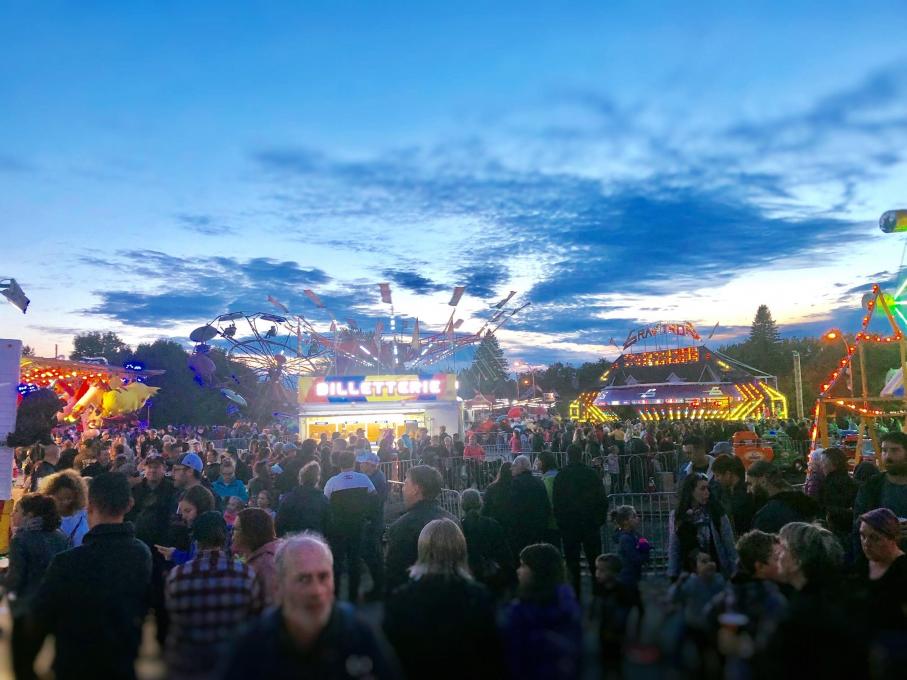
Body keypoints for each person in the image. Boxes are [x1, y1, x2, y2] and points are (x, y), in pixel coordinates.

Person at [220, 534, 402, 679]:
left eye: (323, 577)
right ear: (279, 584)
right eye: (303, 579)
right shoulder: (253, 645)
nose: (316, 591)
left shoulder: (359, 635)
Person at [32, 472, 153, 680]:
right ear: (130, 504)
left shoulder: (66, 563)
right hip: (121, 665)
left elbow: (39, 620)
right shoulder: (141, 555)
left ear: (89, 505)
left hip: (74, 667)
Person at [384, 519, 504, 680]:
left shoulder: (400, 600)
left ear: (422, 549)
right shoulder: (479, 597)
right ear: (461, 549)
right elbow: (491, 653)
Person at [757, 522, 866, 678]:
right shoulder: (846, 597)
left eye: (783, 548)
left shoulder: (796, 616)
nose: (776, 554)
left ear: (798, 561)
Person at [165, 511, 263, 678]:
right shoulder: (246, 575)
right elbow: (255, 622)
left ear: (195, 539)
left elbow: (174, 622)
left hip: (189, 667)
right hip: (233, 666)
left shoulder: (178, 576)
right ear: (225, 537)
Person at [3, 493, 68, 680]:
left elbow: (15, 579)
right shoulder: (60, 536)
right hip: (55, 607)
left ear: (29, 516)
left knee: (21, 665)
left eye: (17, 511)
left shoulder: (21, 540)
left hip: (27, 609)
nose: (13, 514)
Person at [504, 543, 583, 680]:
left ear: (538, 570)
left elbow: (516, 656)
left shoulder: (520, 610)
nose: (518, 570)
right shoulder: (568, 604)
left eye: (523, 565)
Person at [125, 453, 178, 647]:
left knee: (161, 595)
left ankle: (162, 638)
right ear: (144, 468)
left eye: (157, 467)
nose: (153, 470)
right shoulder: (136, 490)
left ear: (164, 469)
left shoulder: (171, 489)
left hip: (161, 549)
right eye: (150, 466)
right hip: (139, 548)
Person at [385, 465, 457, 594]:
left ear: (416, 489)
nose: (402, 488)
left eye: (406, 483)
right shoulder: (453, 521)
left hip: (415, 602)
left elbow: (395, 573)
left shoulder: (402, 527)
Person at [553, 445, 607, 596]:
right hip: (590, 523)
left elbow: (557, 502)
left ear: (567, 456)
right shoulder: (591, 474)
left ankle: (575, 595)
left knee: (572, 563)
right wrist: (599, 520)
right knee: (595, 560)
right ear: (582, 455)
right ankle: (598, 594)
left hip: (569, 525)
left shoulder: (561, 475)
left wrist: (561, 522)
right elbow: (601, 498)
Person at [323, 449, 376, 601]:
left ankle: (336, 596)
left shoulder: (332, 482)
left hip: (337, 527)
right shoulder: (364, 479)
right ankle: (353, 595)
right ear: (354, 463)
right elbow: (374, 498)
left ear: (339, 464)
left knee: (337, 561)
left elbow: (325, 502)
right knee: (354, 560)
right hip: (358, 525)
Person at [667, 473, 737, 580]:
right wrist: (673, 574)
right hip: (689, 574)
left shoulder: (716, 513)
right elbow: (674, 547)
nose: (707, 493)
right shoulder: (678, 516)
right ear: (691, 491)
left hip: (716, 572)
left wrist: (735, 572)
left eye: (708, 488)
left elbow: (729, 544)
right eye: (702, 489)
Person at [857, 508, 907, 630]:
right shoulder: (861, 563)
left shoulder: (903, 569)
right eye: (862, 536)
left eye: (875, 538)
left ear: (892, 539)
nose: (866, 543)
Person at [854, 431, 907, 545]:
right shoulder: (872, 486)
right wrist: (883, 529)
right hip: (880, 555)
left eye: (895, 450)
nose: (888, 456)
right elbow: (858, 522)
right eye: (884, 450)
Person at [594, 554, 642, 675]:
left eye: (602, 570)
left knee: (617, 663)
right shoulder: (600, 587)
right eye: (597, 569)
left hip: (618, 635)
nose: (598, 573)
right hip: (603, 632)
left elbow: (629, 612)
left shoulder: (622, 590)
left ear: (614, 572)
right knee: (604, 662)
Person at [460, 488, 514, 594]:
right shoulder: (493, 524)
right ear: (480, 503)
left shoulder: (459, 526)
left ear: (462, 504)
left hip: (468, 574)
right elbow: (504, 552)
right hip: (492, 575)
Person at [747, 461, 819, 533]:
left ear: (763, 481)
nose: (748, 490)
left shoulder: (766, 516)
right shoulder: (803, 501)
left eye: (750, 484)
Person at [156, 484, 217, 565]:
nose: (183, 516)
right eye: (181, 511)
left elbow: (199, 563)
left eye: (188, 511)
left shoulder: (210, 533)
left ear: (202, 509)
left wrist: (175, 554)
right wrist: (174, 553)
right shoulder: (194, 531)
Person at [233, 507, 282, 606]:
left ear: (249, 533)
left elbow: (273, 604)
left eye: (236, 529)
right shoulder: (265, 554)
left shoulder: (266, 563)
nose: (232, 534)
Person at [507, 454, 552, 558]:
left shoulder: (516, 483)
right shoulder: (539, 481)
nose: (511, 468)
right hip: (538, 526)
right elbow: (545, 504)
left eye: (514, 465)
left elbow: (513, 506)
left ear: (521, 466)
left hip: (522, 528)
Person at [357, 450, 387, 599]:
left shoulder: (375, 480)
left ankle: (379, 588)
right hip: (373, 521)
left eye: (362, 463)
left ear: (370, 465)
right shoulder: (374, 477)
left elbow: (374, 503)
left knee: (373, 556)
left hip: (372, 522)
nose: (360, 465)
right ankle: (379, 586)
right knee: (373, 555)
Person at [275, 460, 332, 537]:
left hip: (293, 541)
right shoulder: (323, 500)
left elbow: (279, 524)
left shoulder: (288, 498)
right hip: (316, 542)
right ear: (317, 480)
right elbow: (329, 526)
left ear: (300, 478)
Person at [38, 468, 89, 548]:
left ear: (76, 498)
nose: (63, 502)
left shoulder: (82, 519)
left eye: (68, 498)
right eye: (59, 498)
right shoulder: (43, 516)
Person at [711, 453, 755, 536]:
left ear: (728, 474)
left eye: (717, 475)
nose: (716, 479)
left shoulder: (745, 495)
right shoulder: (724, 492)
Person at [609, 504, 651, 588]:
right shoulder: (625, 538)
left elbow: (643, 544)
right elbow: (635, 558)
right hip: (627, 577)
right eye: (634, 516)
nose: (637, 518)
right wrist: (645, 554)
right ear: (625, 521)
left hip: (632, 575)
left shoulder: (634, 534)